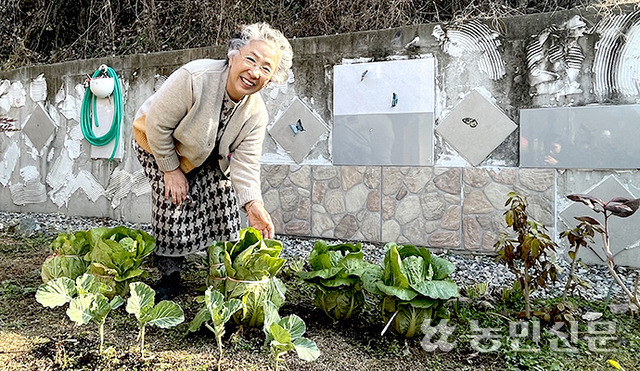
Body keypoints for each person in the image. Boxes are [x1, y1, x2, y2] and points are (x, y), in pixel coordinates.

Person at [132, 23, 293, 299]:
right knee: (174, 200)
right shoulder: (195, 77)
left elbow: (246, 162)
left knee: (224, 200)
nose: (255, 72)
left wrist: (253, 204)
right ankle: (170, 275)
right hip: (159, 143)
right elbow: (157, 124)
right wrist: (170, 170)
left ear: (271, 79)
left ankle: (221, 270)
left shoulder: (256, 114)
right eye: (250, 59)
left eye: (266, 68)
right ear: (233, 55)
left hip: (206, 155)